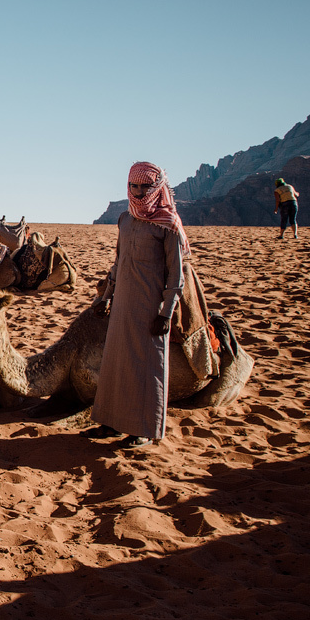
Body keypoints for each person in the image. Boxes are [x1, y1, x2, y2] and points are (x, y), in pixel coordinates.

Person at [86, 161, 189, 449]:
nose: (140, 192)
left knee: (147, 367)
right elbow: (118, 263)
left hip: (149, 308)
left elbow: (175, 273)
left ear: (157, 188)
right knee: (116, 363)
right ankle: (111, 423)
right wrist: (104, 297)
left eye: (146, 186)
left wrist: (166, 312)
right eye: (135, 186)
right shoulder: (126, 220)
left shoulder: (168, 225)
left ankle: (143, 430)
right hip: (122, 305)